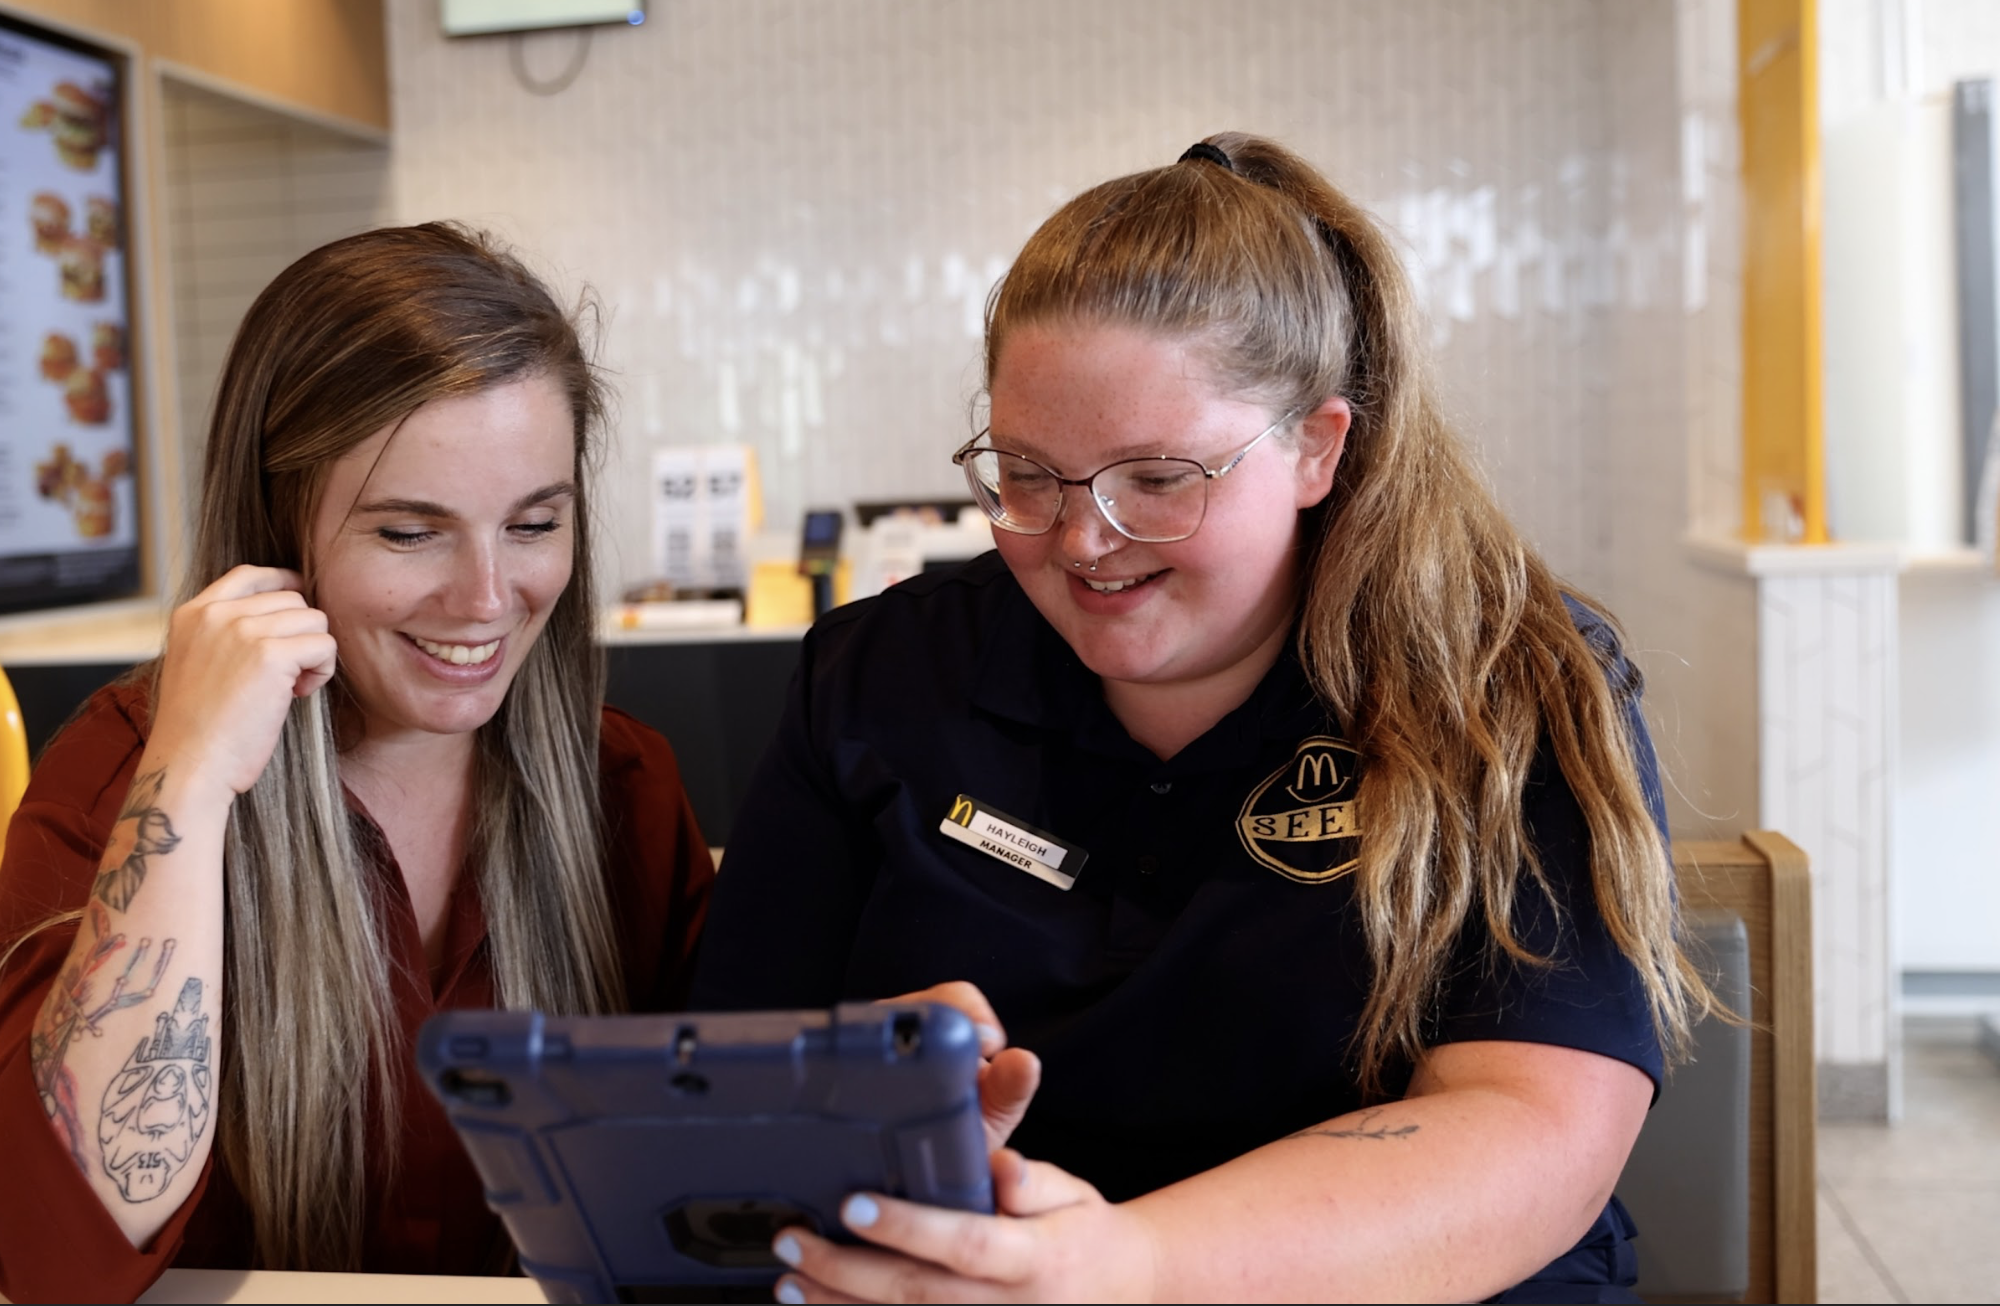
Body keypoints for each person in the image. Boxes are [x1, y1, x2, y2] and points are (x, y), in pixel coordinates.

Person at [690, 133, 1715, 1303]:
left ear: (1317, 448)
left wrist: (1129, 1265)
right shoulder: (880, 678)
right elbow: (729, 1083)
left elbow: (1539, 1131)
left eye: (1160, 481)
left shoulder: (1499, 684)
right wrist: (849, 1091)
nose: (1083, 541)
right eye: (1026, 474)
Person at [0, 224, 716, 1302]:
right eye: (410, 533)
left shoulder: (624, 790)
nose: (488, 598)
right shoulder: (122, 772)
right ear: (278, 527)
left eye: (535, 522)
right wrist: (189, 776)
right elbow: (57, 1260)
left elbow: (711, 1190)